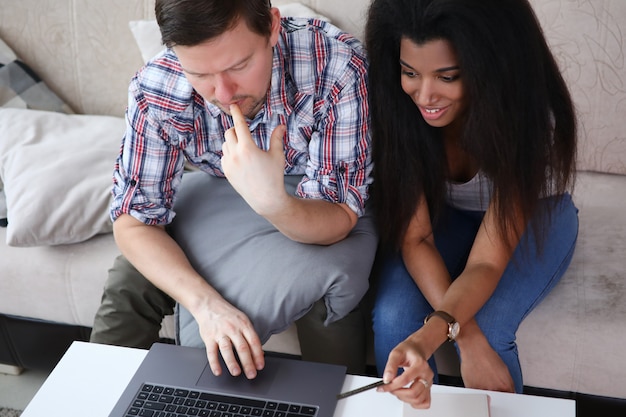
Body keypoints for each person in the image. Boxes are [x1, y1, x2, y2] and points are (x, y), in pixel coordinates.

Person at [90, 0, 373, 379]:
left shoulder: (336, 65)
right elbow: (135, 220)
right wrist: (205, 305)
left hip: (313, 199)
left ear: (273, 27)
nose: (223, 94)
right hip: (220, 186)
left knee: (331, 287)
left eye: (239, 66)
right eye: (200, 74)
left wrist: (272, 202)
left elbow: (339, 215)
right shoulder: (157, 86)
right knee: (130, 281)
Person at [365, 0, 579, 408]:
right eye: (410, 72)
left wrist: (470, 340)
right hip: (447, 217)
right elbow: (416, 238)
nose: (424, 95)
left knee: (494, 331)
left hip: (536, 214)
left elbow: (487, 262)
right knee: (394, 318)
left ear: (490, 68)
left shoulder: (533, 120)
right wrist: (454, 333)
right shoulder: (396, 103)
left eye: (447, 76)